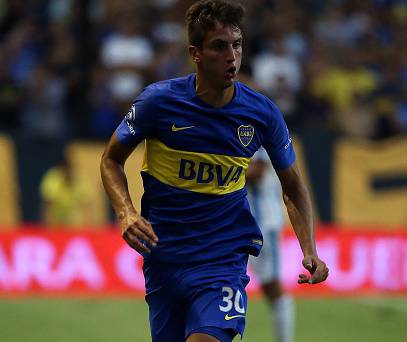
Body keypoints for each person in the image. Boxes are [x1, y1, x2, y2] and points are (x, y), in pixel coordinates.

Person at [100, 1, 329, 341]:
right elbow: (110, 160)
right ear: (196, 52)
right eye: (219, 47)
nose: (231, 56)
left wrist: (308, 248)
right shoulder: (158, 103)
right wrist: (127, 212)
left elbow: (293, 186)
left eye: (236, 45)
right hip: (164, 255)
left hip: (223, 257)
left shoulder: (262, 113)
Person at [246, 148, 294, 342]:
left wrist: (223, 170)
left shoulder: (258, 133)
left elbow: (257, 171)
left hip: (265, 222)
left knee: (272, 285)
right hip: (244, 222)